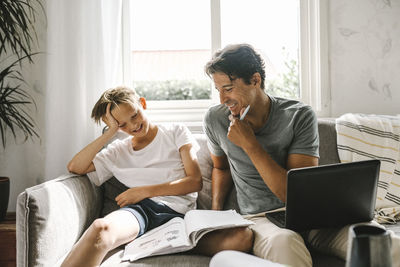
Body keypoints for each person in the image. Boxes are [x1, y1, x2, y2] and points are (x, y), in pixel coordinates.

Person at [201, 43, 339, 267]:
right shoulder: (215, 120)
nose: (222, 99)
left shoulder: (299, 115)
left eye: (227, 88)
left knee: (380, 239)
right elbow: (221, 167)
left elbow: (295, 194)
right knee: (285, 244)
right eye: (218, 90)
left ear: (255, 80)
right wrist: (216, 215)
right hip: (261, 219)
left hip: (312, 215)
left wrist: (250, 144)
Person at [61, 86, 205, 267]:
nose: (133, 126)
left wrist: (143, 191)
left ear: (142, 104)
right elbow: (75, 167)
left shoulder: (175, 131)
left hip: (181, 215)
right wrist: (111, 132)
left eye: (134, 115)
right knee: (100, 229)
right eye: (122, 125)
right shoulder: (117, 151)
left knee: (239, 239)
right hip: (142, 213)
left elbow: (195, 182)